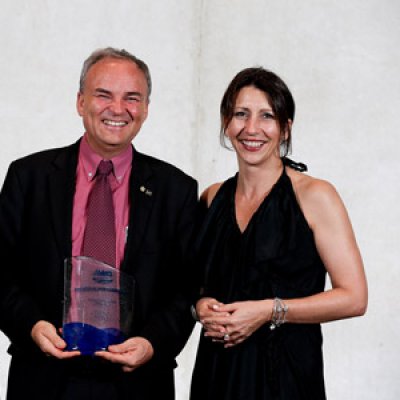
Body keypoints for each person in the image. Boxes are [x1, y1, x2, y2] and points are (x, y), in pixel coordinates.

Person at [0, 47, 198, 400]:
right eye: (103, 95)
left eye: (132, 98)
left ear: (146, 109)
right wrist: (31, 327)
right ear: (80, 102)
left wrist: (152, 343)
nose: (118, 109)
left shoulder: (176, 190)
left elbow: (187, 289)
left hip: (137, 383)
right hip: (43, 378)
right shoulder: (28, 178)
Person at [190, 67, 368, 400]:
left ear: (285, 128)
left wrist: (269, 310)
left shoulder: (315, 195)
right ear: (226, 123)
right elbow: (194, 285)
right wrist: (199, 305)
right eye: (240, 114)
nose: (251, 128)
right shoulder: (212, 198)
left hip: (285, 376)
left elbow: (354, 297)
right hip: (217, 373)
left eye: (266, 116)